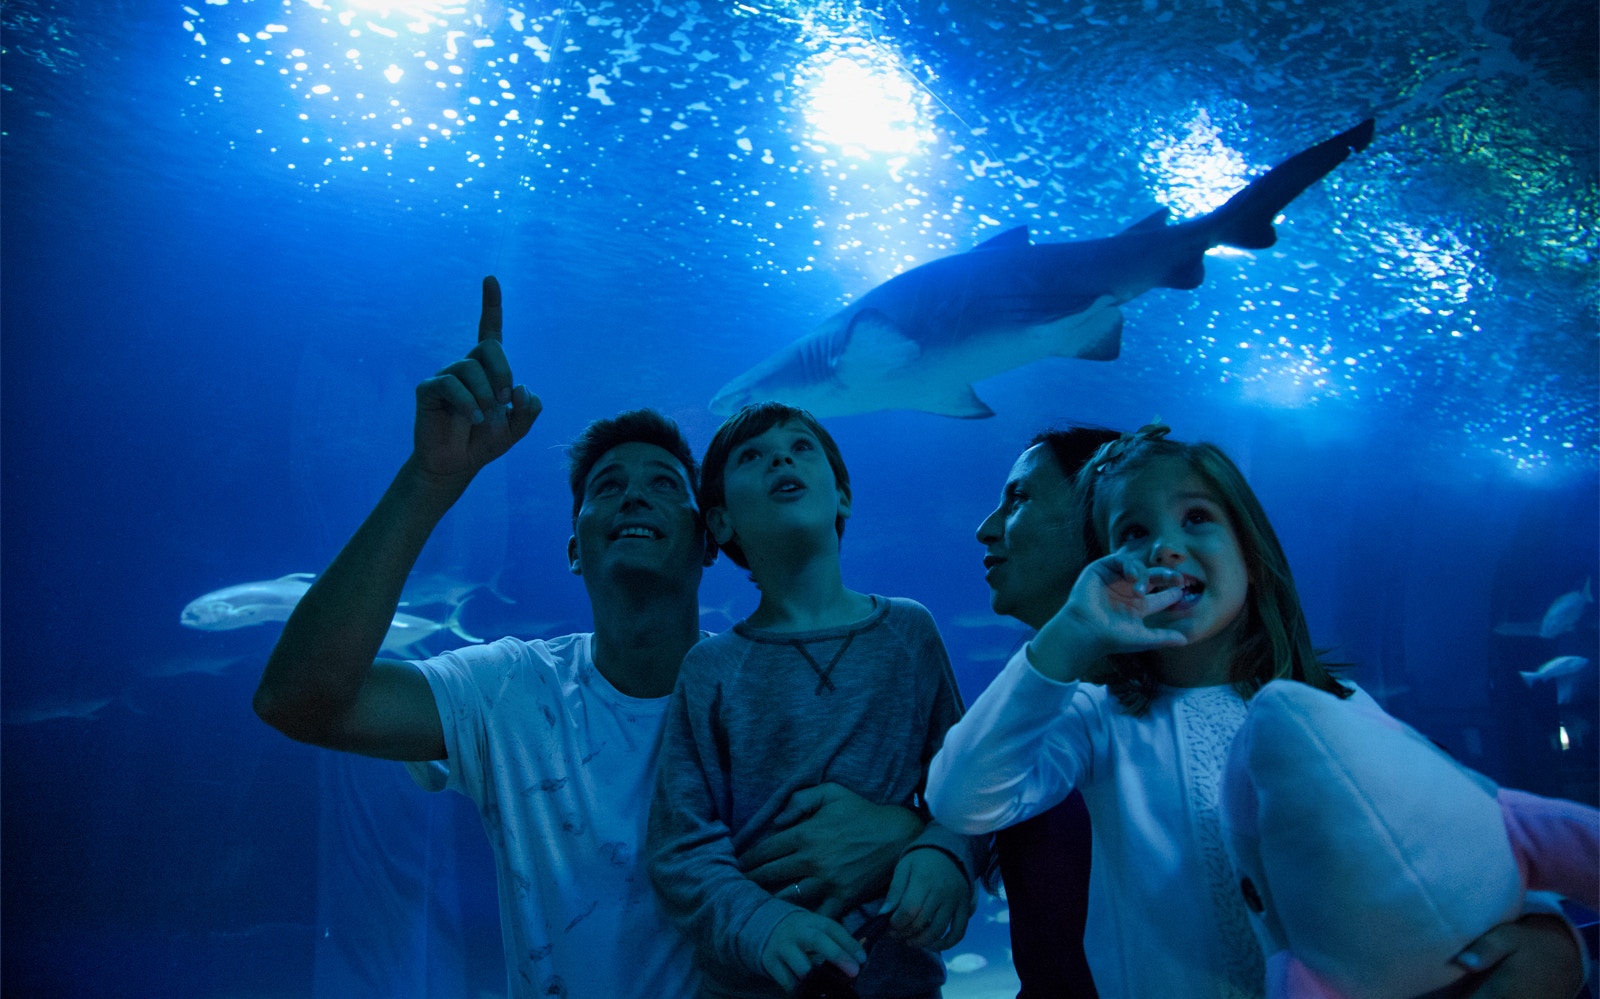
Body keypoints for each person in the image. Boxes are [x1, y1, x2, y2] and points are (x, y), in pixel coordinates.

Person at [252, 278, 931, 999]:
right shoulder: (508, 691)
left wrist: (914, 832)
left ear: (710, 539)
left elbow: (958, 804)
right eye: (605, 485)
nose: (633, 494)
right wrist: (430, 478)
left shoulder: (774, 684)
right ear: (573, 546)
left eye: (666, 483)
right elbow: (299, 699)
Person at [930, 423, 1588, 998]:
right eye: (1134, 531)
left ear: (1251, 549)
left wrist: (1548, 929)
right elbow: (965, 797)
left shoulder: (1335, 707)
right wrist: (1072, 632)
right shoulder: (1096, 718)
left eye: (1196, 519)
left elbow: (1448, 838)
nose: (1165, 547)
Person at [647, 401, 988, 998]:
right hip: (755, 983)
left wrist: (945, 852)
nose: (781, 456)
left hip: (897, 979)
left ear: (844, 497)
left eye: (802, 446)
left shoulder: (909, 633)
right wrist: (760, 922)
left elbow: (966, 788)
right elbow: (681, 846)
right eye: (751, 456)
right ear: (721, 522)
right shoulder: (712, 667)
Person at [975, 426, 1119, 998]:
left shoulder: (1174, 717)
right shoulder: (1033, 688)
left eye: (1019, 499)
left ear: (1099, 518)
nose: (985, 528)